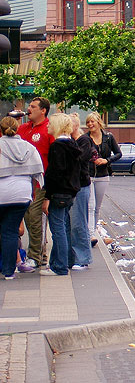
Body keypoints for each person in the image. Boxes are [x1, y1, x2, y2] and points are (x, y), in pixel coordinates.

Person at [0, 117, 44, 279]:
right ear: (17, 129)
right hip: (22, 194)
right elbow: (37, 173)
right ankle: (9, 271)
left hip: (1, 193)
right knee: (10, 232)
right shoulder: (28, 147)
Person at [39, 114, 82, 276]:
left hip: (57, 193)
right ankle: (57, 263)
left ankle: (60, 266)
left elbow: (53, 174)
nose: (48, 126)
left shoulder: (57, 146)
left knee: (57, 230)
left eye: (50, 124)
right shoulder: (72, 145)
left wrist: (47, 197)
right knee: (62, 228)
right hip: (69, 193)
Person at [18, 97, 55, 269]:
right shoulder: (23, 128)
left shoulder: (49, 129)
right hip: (24, 181)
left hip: (41, 181)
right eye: (29, 106)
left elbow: (54, 158)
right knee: (27, 216)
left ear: (43, 111)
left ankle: (35, 255)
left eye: (33, 106)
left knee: (35, 217)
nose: (29, 109)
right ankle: (40, 254)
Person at [84, 112, 121, 246]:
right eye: (88, 122)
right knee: (90, 206)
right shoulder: (85, 138)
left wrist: (106, 160)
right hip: (88, 175)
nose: (90, 124)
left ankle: (92, 230)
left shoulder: (108, 137)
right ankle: (91, 235)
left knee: (97, 207)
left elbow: (118, 153)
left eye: (92, 121)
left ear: (99, 122)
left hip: (103, 175)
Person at [67, 114, 92, 271]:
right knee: (71, 222)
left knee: (78, 222)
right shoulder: (72, 141)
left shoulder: (83, 141)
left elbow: (79, 160)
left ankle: (82, 258)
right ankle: (74, 257)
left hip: (81, 186)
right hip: (73, 187)